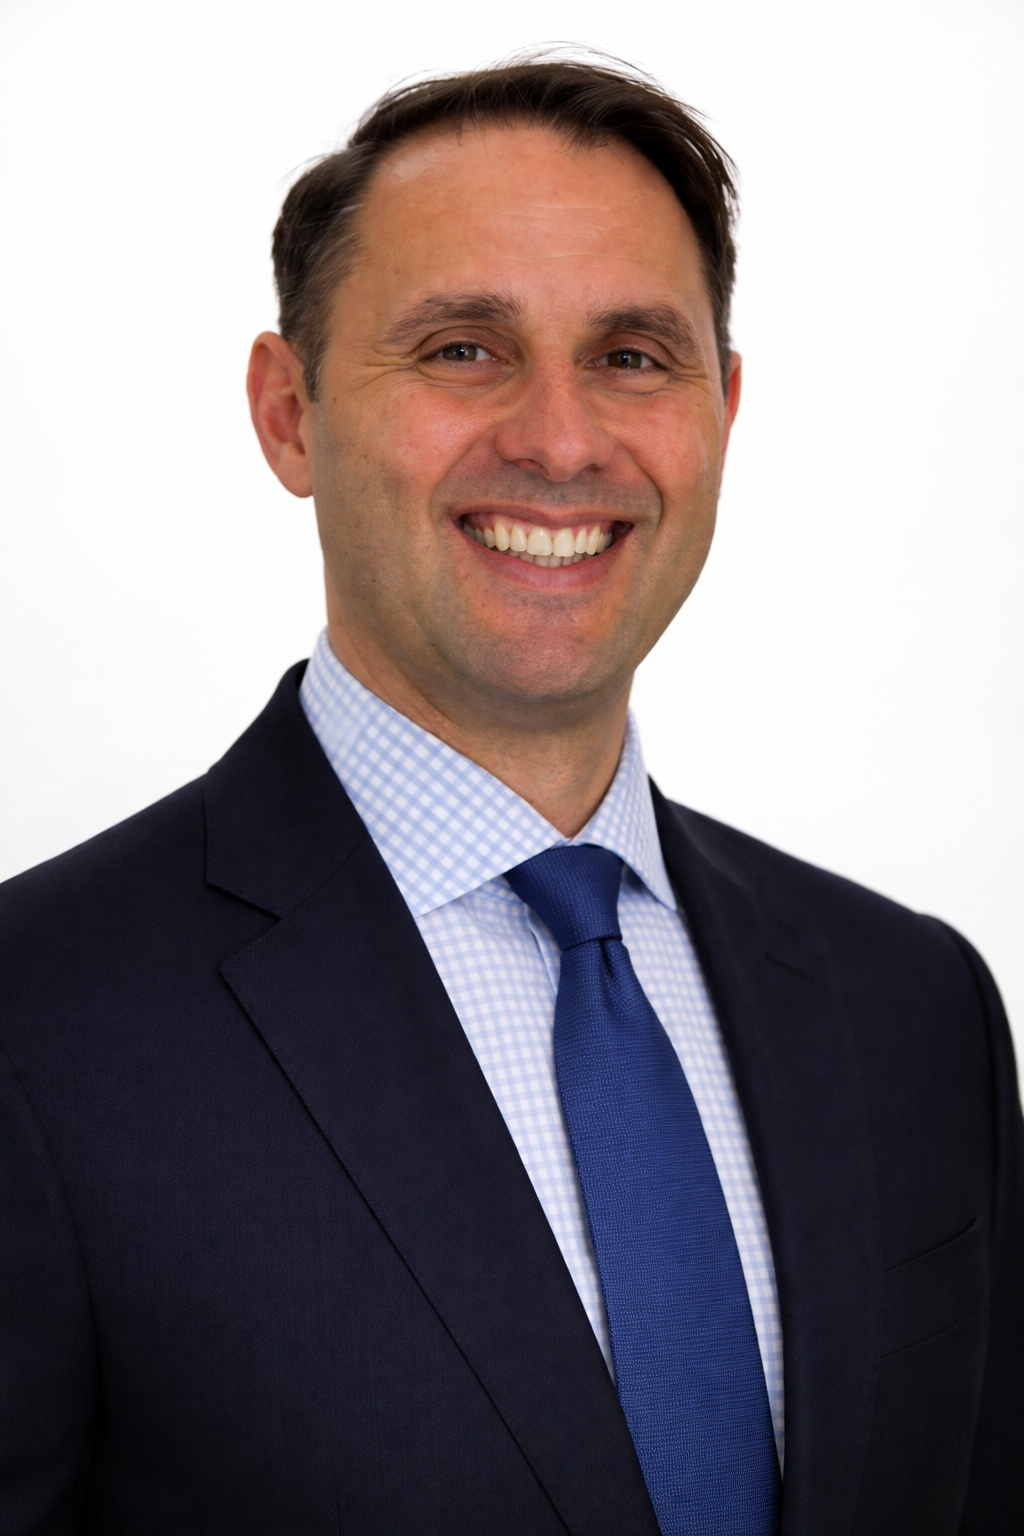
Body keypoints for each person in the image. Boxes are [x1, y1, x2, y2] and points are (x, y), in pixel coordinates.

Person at [1, 56, 1020, 1536]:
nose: (560, 439)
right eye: (464, 348)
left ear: (723, 411)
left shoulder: (914, 1010)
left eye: (633, 357)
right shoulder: (38, 1028)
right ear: (288, 413)